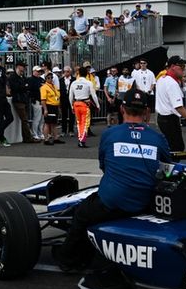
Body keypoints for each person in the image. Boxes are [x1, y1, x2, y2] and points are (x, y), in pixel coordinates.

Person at [55, 88, 172, 272]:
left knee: (81, 214)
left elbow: (104, 166)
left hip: (113, 201)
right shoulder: (158, 137)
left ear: (122, 109)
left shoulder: (110, 134)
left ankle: (68, 260)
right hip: (145, 202)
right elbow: (168, 169)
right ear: (147, 112)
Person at [156, 55, 186, 151]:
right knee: (177, 148)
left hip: (162, 117)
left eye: (184, 67)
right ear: (172, 67)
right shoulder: (171, 83)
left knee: (170, 146)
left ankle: (166, 163)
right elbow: (179, 107)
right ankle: (169, 165)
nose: (184, 69)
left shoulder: (162, 79)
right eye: (181, 66)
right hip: (170, 119)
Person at [68, 66, 99, 148]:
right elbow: (94, 95)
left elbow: (70, 96)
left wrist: (71, 106)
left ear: (78, 73)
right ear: (86, 74)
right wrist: (97, 105)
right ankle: (82, 140)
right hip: (85, 104)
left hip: (76, 103)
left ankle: (80, 138)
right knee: (85, 123)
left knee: (79, 123)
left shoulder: (74, 83)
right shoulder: (89, 83)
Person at [8, 61, 35, 143]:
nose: (24, 68)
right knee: (24, 119)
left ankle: (26, 137)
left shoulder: (22, 77)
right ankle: (28, 137)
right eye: (23, 66)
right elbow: (16, 88)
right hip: (18, 100)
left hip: (23, 99)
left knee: (25, 119)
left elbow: (27, 86)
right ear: (18, 67)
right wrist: (24, 86)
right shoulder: (13, 77)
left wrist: (24, 87)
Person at [40, 72, 62, 144]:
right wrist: (45, 109)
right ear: (45, 79)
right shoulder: (44, 87)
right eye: (48, 78)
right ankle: (46, 139)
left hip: (55, 106)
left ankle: (56, 138)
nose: (50, 79)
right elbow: (43, 100)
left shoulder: (54, 86)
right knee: (47, 123)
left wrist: (58, 108)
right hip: (49, 106)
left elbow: (57, 97)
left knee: (54, 123)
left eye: (51, 77)